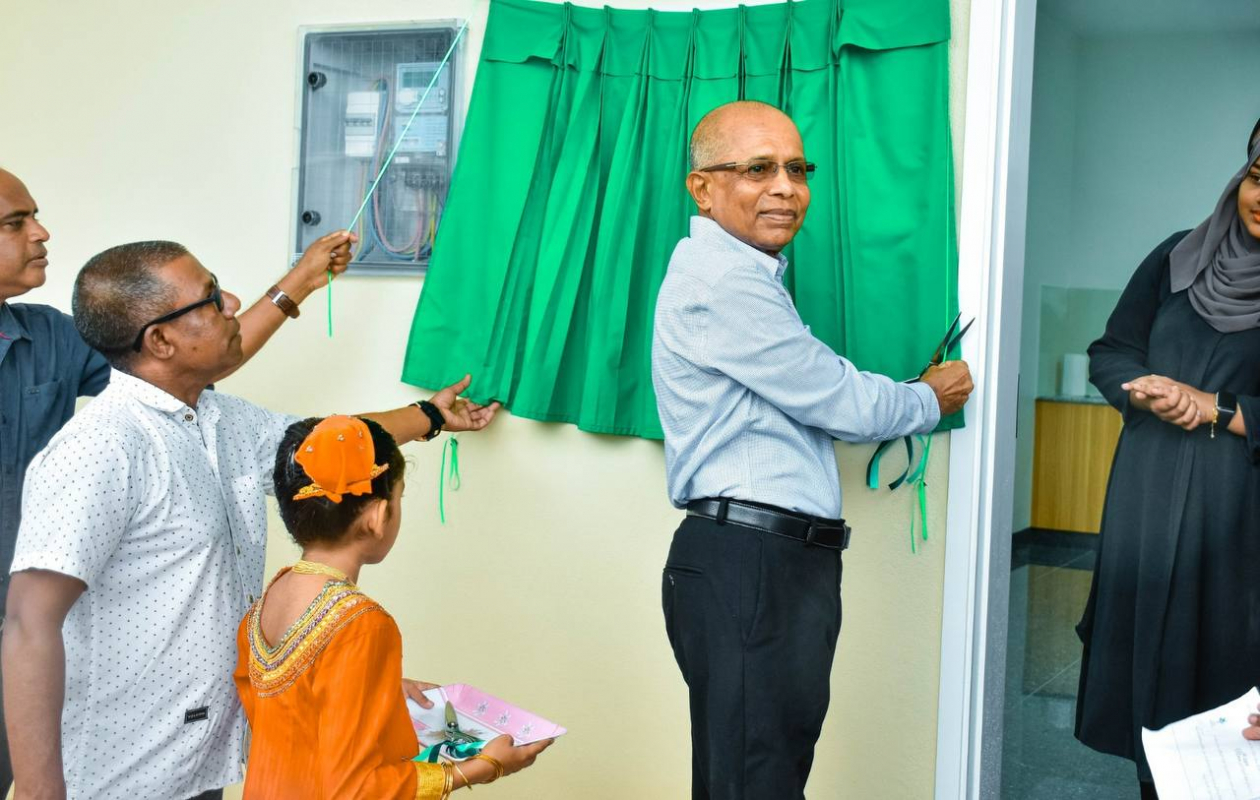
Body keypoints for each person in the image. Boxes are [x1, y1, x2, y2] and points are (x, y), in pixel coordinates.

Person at [2, 240, 499, 800]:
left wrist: (430, 415)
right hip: (120, 773)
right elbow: (27, 625)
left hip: (203, 763)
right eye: (210, 299)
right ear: (160, 340)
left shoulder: (221, 420)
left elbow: (331, 444)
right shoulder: (102, 449)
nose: (234, 303)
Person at [650, 100, 974, 800]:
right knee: (755, 780)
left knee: (760, 772)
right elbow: (842, 402)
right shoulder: (724, 281)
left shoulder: (746, 274)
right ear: (702, 188)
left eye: (797, 169)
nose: (785, 187)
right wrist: (930, 398)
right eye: (758, 168)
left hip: (769, 565)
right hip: (752, 565)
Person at [0, 166, 355, 796]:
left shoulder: (50, 335)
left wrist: (301, 280)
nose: (41, 233)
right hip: (34, 621)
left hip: (41, 624)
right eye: (15, 222)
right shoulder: (97, 450)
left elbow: (173, 358)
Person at [1075, 121, 1260, 799]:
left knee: (1228, 690)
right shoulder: (1177, 257)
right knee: (1151, 687)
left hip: (1237, 512)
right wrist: (1145, 389)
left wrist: (1212, 406)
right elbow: (1110, 349)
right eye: (1259, 177)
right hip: (1148, 499)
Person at [234, 414, 550, 797]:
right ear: (378, 516)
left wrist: (370, 687)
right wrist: (478, 768)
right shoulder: (362, 624)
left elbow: (289, 713)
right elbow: (354, 788)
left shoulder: (268, 600)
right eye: (398, 497)